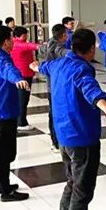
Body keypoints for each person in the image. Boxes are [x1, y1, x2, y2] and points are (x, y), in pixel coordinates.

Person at [33, 29, 106, 210]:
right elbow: (90, 90)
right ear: (91, 49)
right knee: (83, 187)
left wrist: (34, 66)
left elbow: (41, 67)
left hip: (64, 136)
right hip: (82, 136)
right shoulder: (82, 69)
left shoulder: (57, 64)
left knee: (72, 182)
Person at [0, 25, 30, 201]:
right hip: (3, 109)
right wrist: (18, 79)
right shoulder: (0, 59)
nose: (13, 41)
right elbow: (8, 70)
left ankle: (0, 185)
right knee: (2, 152)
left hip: (1, 108)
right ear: (5, 42)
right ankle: (5, 191)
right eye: (11, 39)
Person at [42, 24, 70, 154]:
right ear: (63, 35)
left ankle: (56, 141)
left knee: (53, 112)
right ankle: (56, 142)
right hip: (55, 86)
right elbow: (62, 52)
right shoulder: (57, 46)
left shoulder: (48, 43)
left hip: (53, 85)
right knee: (55, 113)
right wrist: (74, 55)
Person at [10, 26, 40, 131]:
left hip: (23, 74)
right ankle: (21, 122)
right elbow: (31, 46)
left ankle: (20, 120)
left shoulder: (15, 43)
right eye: (24, 36)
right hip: (24, 75)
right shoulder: (19, 44)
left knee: (21, 99)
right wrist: (43, 46)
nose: (26, 37)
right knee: (23, 99)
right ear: (16, 36)